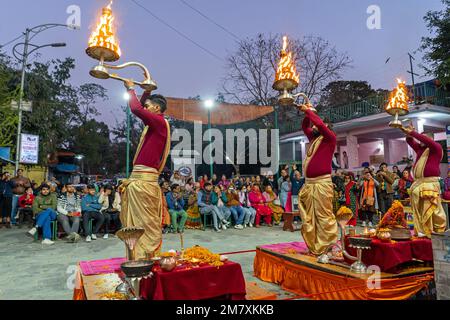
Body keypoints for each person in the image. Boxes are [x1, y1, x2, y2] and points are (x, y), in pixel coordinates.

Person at [120, 80, 172, 259]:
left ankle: (144, 259)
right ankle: (136, 259)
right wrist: (147, 92)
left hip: (144, 184)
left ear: (157, 109)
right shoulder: (156, 124)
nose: (145, 108)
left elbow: (136, 109)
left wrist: (131, 89)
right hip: (139, 182)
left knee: (144, 226)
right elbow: (140, 107)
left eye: (149, 106)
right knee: (134, 226)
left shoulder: (158, 122)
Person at [297, 103, 338, 255]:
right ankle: (314, 246)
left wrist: (310, 111)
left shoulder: (329, 138)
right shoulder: (314, 138)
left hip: (322, 183)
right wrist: (306, 113)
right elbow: (304, 126)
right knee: (309, 218)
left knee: (323, 216)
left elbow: (319, 124)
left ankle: (327, 247)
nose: (314, 126)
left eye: (317, 125)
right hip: (309, 185)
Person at [399, 124, 447, 237]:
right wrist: (406, 132)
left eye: (422, 138)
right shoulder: (421, 149)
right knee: (420, 211)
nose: (420, 141)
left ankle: (434, 233)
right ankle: (422, 232)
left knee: (432, 209)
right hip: (419, 184)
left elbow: (425, 141)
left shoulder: (436, 148)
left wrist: (413, 133)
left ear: (430, 139)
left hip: (430, 184)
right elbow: (410, 141)